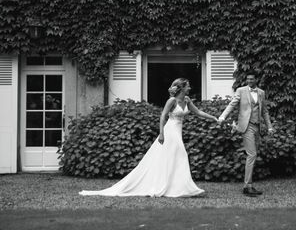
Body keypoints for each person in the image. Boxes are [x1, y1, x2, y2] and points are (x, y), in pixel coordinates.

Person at [79, 78, 217, 197]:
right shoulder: (172, 101)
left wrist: (213, 118)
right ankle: (180, 187)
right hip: (170, 131)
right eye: (188, 86)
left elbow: (198, 112)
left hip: (178, 131)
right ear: (181, 88)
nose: (190, 88)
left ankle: (178, 187)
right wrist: (161, 133)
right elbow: (163, 116)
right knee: (181, 154)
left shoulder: (187, 100)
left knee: (174, 157)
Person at [218, 71, 274, 197]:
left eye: (252, 79)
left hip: (257, 127)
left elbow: (264, 111)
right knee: (252, 154)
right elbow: (232, 104)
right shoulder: (241, 91)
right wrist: (222, 116)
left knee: (252, 155)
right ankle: (247, 186)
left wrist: (269, 127)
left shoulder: (261, 92)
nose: (249, 81)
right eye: (248, 79)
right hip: (246, 126)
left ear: (256, 80)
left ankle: (248, 185)